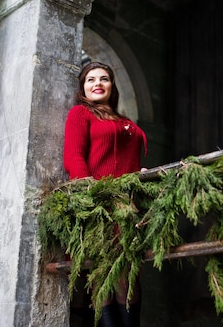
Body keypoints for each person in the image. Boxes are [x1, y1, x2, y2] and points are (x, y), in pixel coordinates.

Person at [63, 61, 147, 327]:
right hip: (99, 205)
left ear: (112, 85)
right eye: (90, 79)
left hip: (127, 206)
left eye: (104, 78)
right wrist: (90, 200)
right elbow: (74, 158)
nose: (97, 83)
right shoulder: (81, 114)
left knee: (127, 273)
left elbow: (127, 159)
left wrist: (140, 175)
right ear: (83, 88)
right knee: (103, 271)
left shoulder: (125, 121)